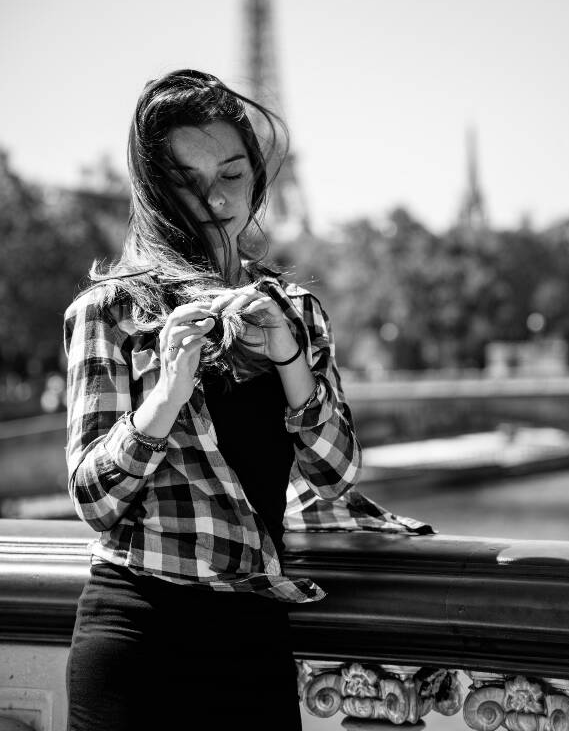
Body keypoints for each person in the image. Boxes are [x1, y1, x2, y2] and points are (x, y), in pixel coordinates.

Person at [63, 68, 365, 731]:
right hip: (137, 633)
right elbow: (93, 500)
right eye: (186, 178)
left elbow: (335, 477)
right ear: (152, 188)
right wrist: (166, 394)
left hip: (251, 637)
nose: (216, 198)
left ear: (258, 175)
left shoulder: (298, 313)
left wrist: (288, 358)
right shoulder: (109, 313)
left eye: (231, 173)